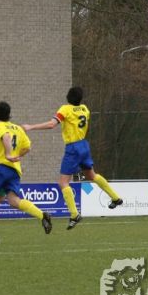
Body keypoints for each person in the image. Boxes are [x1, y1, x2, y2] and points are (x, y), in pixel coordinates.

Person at [24, 86, 123, 230]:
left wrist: (31, 127)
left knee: (63, 182)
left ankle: (74, 214)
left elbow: (52, 124)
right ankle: (115, 197)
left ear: (68, 97)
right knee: (92, 175)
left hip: (73, 148)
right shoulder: (85, 109)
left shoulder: (65, 109)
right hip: (84, 145)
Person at [0, 101, 52, 238]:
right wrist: (17, 155)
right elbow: (28, 147)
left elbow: (6, 137)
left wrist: (8, 154)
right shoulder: (18, 128)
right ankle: (42, 215)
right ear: (9, 114)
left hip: (1, 167)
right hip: (14, 170)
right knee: (14, 201)